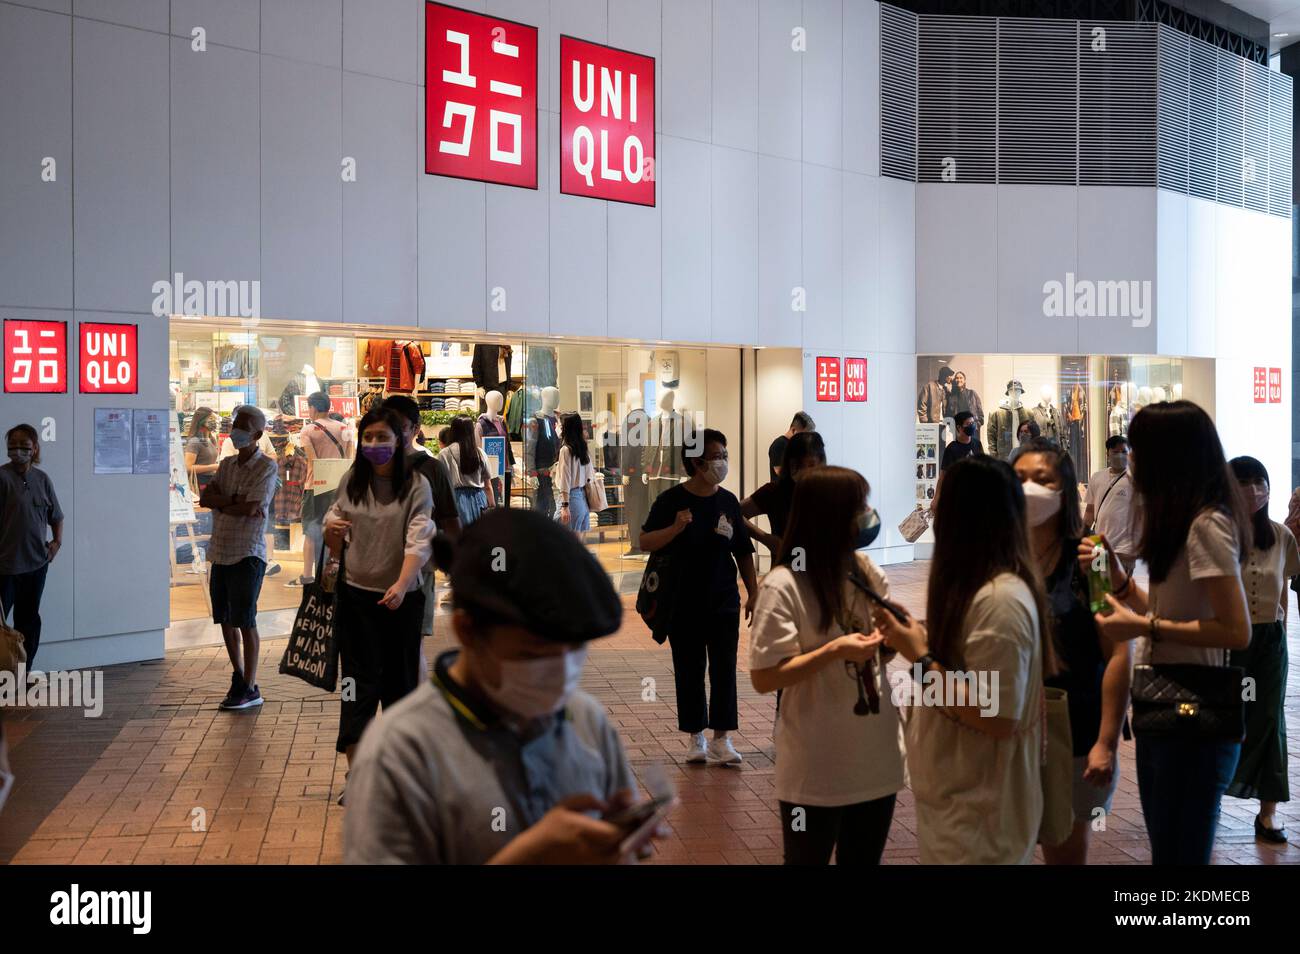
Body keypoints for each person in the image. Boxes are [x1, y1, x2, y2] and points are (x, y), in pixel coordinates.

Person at [344, 508, 655, 864]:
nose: (562, 670)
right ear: (467, 631)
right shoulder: (400, 754)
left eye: (575, 649)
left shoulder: (588, 722)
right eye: (535, 652)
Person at [1081, 401, 1251, 865]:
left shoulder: (1206, 525)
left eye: (1139, 449)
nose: (1130, 459)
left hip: (1194, 718)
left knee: (1180, 857)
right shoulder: (1181, 522)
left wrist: (1142, 625)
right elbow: (1165, 609)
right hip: (1166, 709)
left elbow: (1236, 630)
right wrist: (1117, 578)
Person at [874, 455, 1055, 864]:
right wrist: (921, 639)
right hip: (962, 809)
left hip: (982, 824)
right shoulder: (983, 591)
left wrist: (918, 656)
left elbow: (994, 711)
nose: (934, 512)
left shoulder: (1001, 601)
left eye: (942, 502)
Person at [749, 467, 905, 864]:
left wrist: (891, 640)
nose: (868, 515)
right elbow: (765, 676)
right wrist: (835, 651)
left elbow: (880, 656)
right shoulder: (783, 585)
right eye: (860, 506)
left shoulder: (867, 572)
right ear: (831, 516)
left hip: (877, 761)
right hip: (814, 770)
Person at [1014, 437, 1132, 864]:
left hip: (1074, 729)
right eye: (1019, 478)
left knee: (1064, 848)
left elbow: (1119, 650)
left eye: (1041, 480)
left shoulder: (1091, 555)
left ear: (1064, 489)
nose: (1029, 488)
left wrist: (1107, 740)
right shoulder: (998, 556)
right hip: (1007, 727)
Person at [324, 407, 434, 801]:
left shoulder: (417, 485)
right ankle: (358, 775)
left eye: (382, 437)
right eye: (367, 437)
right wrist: (330, 530)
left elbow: (419, 540)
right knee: (357, 687)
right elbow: (336, 544)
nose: (374, 445)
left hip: (402, 601)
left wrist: (403, 585)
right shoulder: (352, 480)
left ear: (400, 441)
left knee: (401, 686)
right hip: (356, 597)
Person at [641, 428, 758, 766]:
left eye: (724, 455)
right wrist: (675, 528)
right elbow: (645, 541)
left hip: (723, 599)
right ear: (696, 461)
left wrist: (754, 591)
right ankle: (696, 738)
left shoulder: (728, 502)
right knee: (689, 668)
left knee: (724, 668)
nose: (722, 462)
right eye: (716, 457)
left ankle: (722, 739)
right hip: (683, 601)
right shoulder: (671, 501)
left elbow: (743, 551)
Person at [1224, 456, 1298, 843]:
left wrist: (1281, 633)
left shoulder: (1281, 535)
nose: (1254, 489)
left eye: (1259, 481)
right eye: (1244, 481)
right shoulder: (1218, 535)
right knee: (1226, 716)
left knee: (1268, 720)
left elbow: (1283, 589)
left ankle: (1268, 813)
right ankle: (1213, 791)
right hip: (1228, 642)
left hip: (1269, 643)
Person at [199, 406, 279, 711]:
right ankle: (238, 676)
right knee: (225, 619)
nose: (237, 430)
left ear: (257, 434)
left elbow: (252, 507)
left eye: (244, 426)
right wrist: (233, 502)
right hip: (220, 549)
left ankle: (250, 684)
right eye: (236, 424)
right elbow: (208, 499)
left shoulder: (266, 468)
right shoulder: (227, 464)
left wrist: (227, 503)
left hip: (248, 552)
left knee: (244, 618)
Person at [0, 424, 64, 667]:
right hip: (5, 568)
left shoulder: (42, 479)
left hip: (36, 566)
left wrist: (56, 544)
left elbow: (56, 516)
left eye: (24, 446)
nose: (18, 451)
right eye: (12, 446)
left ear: (35, 448)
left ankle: (22, 673)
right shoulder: (2, 478)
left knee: (28, 621)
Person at [289, 392, 354, 587]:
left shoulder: (308, 430)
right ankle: (335, 572)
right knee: (337, 529)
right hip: (340, 486)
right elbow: (349, 459)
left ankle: (308, 575)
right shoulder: (345, 428)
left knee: (311, 531)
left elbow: (313, 460)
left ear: (314, 408)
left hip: (316, 485)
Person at [741, 430, 826, 556]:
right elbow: (734, 512)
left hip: (821, 568)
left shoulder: (827, 490)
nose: (817, 471)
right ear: (792, 464)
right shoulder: (774, 491)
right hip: (786, 567)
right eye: (811, 464)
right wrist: (766, 539)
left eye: (821, 464)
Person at [1084, 435, 1140, 572]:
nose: (1120, 455)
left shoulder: (1136, 481)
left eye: (1124, 452)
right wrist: (1082, 535)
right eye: (1115, 452)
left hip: (1124, 549)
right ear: (1108, 453)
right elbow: (1090, 511)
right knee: (1099, 590)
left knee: (1120, 591)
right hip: (1098, 545)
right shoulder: (1097, 477)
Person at [438, 416, 496, 526]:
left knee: (459, 538)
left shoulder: (444, 454)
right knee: (478, 537)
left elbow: (441, 485)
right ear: (471, 431)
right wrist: (492, 507)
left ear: (453, 431)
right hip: (479, 499)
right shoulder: (480, 453)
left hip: (454, 500)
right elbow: (488, 486)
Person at [556, 413, 595, 535]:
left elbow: (565, 480)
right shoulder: (583, 448)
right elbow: (590, 475)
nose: (560, 428)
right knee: (577, 541)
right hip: (582, 499)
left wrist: (565, 505)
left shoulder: (566, 450)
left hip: (570, 499)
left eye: (562, 426)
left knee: (564, 539)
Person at [768, 411, 815, 483]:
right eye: (804, 435)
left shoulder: (797, 445)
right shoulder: (779, 444)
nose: (806, 438)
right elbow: (780, 471)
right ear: (794, 430)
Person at [183, 406, 222, 491]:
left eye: (215, 419)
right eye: (211, 419)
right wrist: (214, 467)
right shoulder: (194, 442)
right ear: (202, 421)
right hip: (198, 483)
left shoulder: (211, 439)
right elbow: (188, 468)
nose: (214, 422)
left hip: (210, 481)